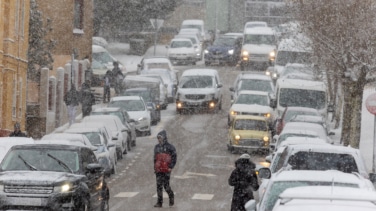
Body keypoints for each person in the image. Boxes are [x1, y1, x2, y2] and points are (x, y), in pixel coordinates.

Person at [153, 130, 176, 208]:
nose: (159, 140)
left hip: (166, 170)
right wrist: (155, 167)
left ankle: (171, 196)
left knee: (166, 186)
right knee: (159, 186)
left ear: (164, 138)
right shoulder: (156, 147)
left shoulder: (170, 147)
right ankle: (159, 202)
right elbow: (155, 159)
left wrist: (170, 167)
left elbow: (174, 158)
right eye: (158, 138)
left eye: (160, 138)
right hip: (159, 170)